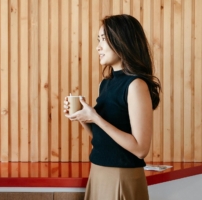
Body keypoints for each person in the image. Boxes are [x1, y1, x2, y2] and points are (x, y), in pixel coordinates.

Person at [64, 14, 161, 200]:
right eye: (98, 40)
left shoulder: (136, 85)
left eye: (103, 40)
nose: (97, 47)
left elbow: (141, 149)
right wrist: (83, 117)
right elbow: (105, 139)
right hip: (98, 172)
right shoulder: (106, 84)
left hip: (122, 177)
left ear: (121, 41)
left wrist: (95, 117)